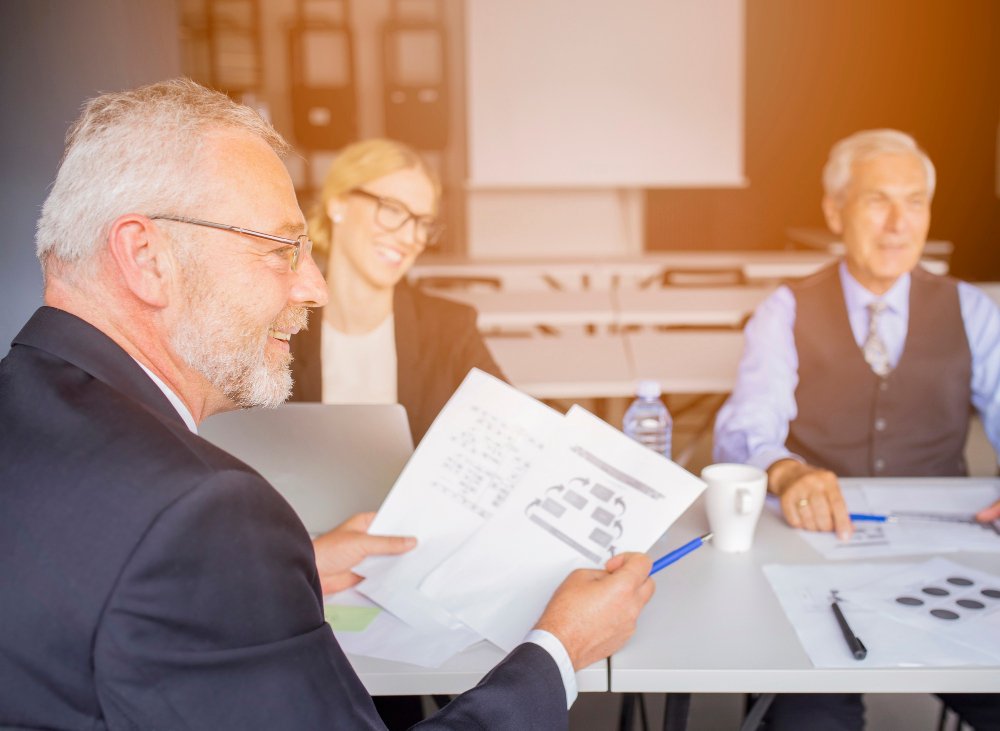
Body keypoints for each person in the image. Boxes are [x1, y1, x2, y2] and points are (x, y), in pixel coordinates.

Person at [0, 78, 655, 729]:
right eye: (279, 250)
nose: (312, 288)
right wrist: (558, 650)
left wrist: (273, 570)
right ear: (146, 257)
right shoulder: (205, 514)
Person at [714, 128, 1000, 730]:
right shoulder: (786, 309)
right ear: (834, 210)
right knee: (805, 722)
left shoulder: (971, 309)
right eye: (877, 200)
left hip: (946, 556)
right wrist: (786, 470)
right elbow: (746, 426)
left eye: (915, 201)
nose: (898, 223)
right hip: (814, 557)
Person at [291, 138, 503, 446]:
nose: (409, 237)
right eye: (392, 209)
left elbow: (514, 430)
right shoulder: (283, 324)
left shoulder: (451, 329)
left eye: (422, 223)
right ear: (338, 203)